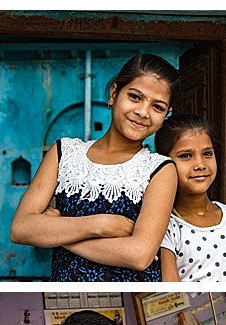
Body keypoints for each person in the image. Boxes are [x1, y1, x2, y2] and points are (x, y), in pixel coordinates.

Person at [9, 54, 179, 281]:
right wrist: (99, 224)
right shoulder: (63, 153)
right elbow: (20, 228)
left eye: (157, 107)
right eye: (135, 97)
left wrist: (56, 231)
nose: (143, 112)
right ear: (114, 94)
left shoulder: (160, 169)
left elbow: (139, 255)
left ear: (166, 115)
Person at [155, 114, 226, 282]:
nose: (200, 164)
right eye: (186, 156)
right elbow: (172, 291)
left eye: (207, 153)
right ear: (164, 163)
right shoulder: (165, 226)